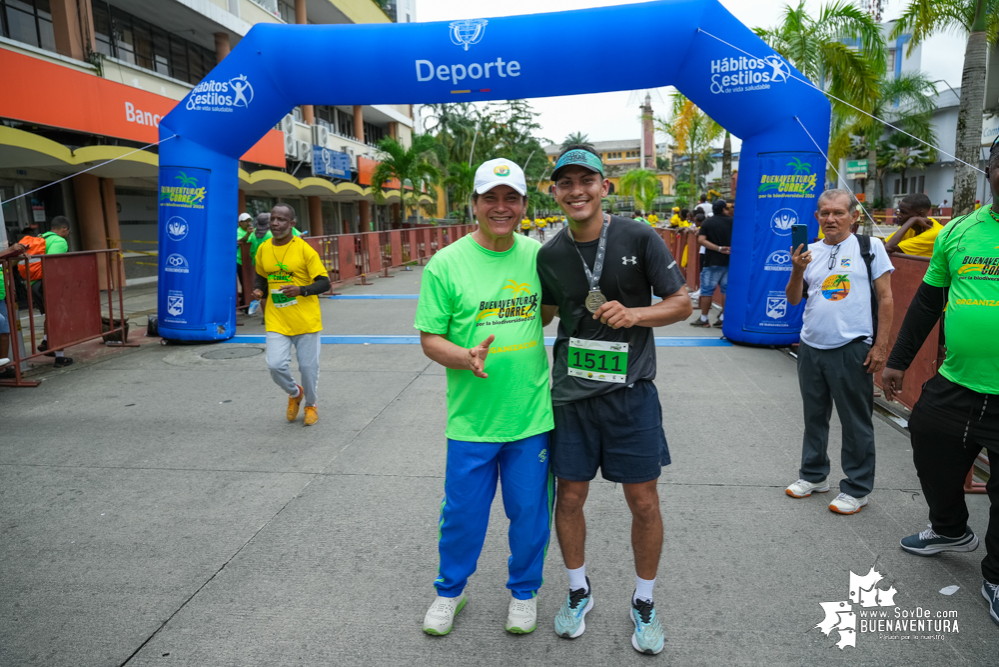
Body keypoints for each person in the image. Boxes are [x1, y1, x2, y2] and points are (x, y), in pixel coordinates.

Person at [538, 144, 691, 655]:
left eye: (587, 181)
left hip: (631, 397)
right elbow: (544, 315)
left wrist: (636, 315)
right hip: (572, 399)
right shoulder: (549, 254)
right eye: (566, 183)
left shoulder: (638, 236)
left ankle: (644, 600)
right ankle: (578, 590)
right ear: (555, 192)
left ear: (606, 187)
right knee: (570, 499)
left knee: (643, 501)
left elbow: (681, 304)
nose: (576, 191)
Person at [415, 158, 553, 637]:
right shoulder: (445, 265)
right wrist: (464, 355)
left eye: (510, 198)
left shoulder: (539, 257)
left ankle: (524, 593)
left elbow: (550, 313)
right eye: (490, 198)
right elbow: (431, 339)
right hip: (471, 421)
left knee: (531, 514)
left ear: (523, 205)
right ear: (473, 204)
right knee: (462, 517)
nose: (501, 207)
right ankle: (449, 592)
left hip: (530, 416)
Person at [882, 139, 999, 628]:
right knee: (929, 449)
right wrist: (897, 362)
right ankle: (950, 529)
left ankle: (996, 575)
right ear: (991, 170)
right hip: (954, 386)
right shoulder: (960, 233)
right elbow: (928, 303)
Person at [784, 189, 894, 515]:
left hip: (852, 347)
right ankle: (814, 476)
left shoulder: (870, 248)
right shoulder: (809, 251)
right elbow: (793, 300)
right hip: (811, 346)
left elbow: (886, 299)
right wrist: (797, 269)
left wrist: (881, 346)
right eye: (824, 213)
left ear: (854, 216)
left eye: (838, 213)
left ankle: (857, 488)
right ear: (817, 217)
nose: (830, 219)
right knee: (814, 417)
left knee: (855, 421)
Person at [249, 204, 330, 426]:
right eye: (273, 219)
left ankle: (311, 404)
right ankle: (295, 393)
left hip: (305, 320)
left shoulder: (304, 250)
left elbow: (324, 282)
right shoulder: (264, 248)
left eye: (282, 220)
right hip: (277, 319)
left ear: (292, 224)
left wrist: (301, 290)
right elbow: (261, 277)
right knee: (275, 365)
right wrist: (259, 290)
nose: (275, 223)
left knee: (308, 368)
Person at [23, 217, 72, 367]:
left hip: (33, 284)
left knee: (50, 316)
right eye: (69, 231)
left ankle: (46, 342)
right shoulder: (59, 241)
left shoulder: (41, 238)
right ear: (64, 229)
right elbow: (51, 265)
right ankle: (60, 357)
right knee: (59, 318)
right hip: (47, 284)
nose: (68, 234)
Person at [690, 199, 732, 328]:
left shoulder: (708, 222)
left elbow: (701, 240)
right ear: (724, 209)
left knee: (707, 291)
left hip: (711, 261)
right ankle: (723, 318)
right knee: (726, 291)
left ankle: (704, 319)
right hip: (729, 261)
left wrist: (718, 248)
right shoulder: (733, 221)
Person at [237, 212, 253, 298]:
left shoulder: (251, 230)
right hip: (240, 261)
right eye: (246, 221)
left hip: (250, 261)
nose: (249, 223)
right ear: (240, 223)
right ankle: (244, 301)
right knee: (244, 282)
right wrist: (248, 234)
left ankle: (249, 301)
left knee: (250, 282)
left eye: (250, 221)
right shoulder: (237, 231)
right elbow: (240, 241)